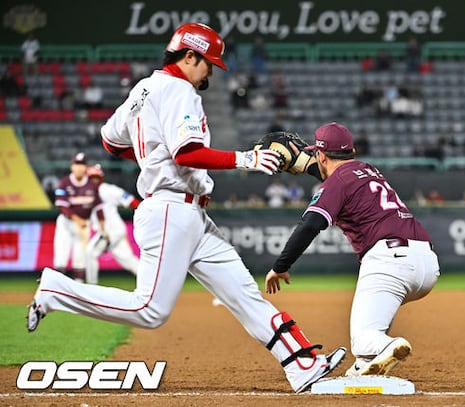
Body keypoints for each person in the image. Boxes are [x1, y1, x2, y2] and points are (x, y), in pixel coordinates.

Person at [26, 23, 345, 394]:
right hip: (170, 211)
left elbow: (110, 140)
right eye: (209, 63)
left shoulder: (143, 89)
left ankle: (302, 364)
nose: (210, 72)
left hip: (191, 215)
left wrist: (150, 158)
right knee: (149, 310)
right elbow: (186, 152)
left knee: (243, 293)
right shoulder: (179, 90)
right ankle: (57, 291)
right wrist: (246, 158)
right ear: (190, 55)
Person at [264, 122, 440, 377]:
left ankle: (386, 344)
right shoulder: (369, 170)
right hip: (426, 262)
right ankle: (363, 366)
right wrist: (311, 165)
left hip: (390, 263)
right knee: (370, 335)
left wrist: (280, 266)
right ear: (352, 151)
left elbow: (310, 225)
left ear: (321, 155)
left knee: (363, 339)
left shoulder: (336, 183)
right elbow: (341, 178)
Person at [51, 152, 105, 282]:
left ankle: (78, 287)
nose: (79, 167)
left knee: (80, 258)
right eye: (77, 164)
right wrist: (78, 220)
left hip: (83, 225)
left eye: (82, 165)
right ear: (72, 167)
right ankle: (57, 287)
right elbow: (63, 207)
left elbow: (99, 209)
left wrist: (103, 228)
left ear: (86, 167)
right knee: (61, 257)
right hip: (66, 224)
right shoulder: (64, 183)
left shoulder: (92, 185)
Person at [84, 164, 141, 284]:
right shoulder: (87, 193)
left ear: (101, 178)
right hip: (111, 230)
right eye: (91, 178)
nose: (94, 180)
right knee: (128, 260)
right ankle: (152, 279)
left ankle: (91, 286)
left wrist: (143, 210)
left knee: (90, 252)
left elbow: (130, 200)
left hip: (111, 230)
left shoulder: (107, 189)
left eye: (96, 177)